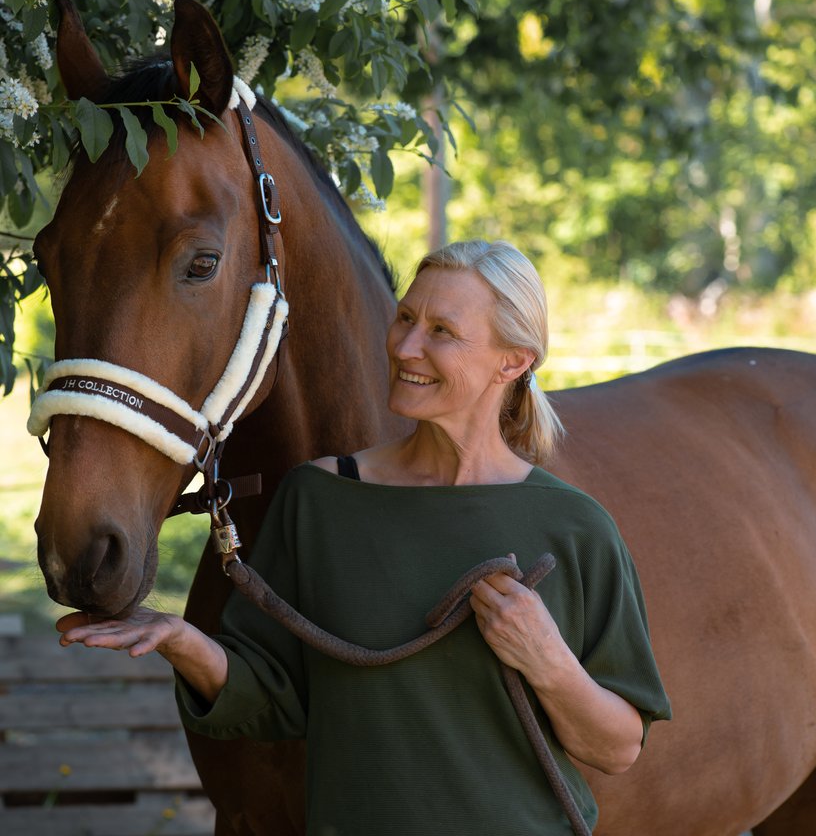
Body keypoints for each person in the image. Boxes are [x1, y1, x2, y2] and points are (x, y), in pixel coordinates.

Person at [58, 239, 671, 834]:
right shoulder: (320, 500)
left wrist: (546, 658)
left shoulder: (574, 526)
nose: (405, 346)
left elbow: (616, 747)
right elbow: (276, 699)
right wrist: (182, 640)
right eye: (405, 317)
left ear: (513, 361)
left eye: (441, 332)